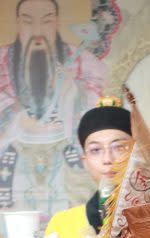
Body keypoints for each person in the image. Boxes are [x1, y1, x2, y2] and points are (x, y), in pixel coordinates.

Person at [0, 0, 103, 217]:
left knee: (74, 211)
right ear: (17, 23)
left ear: (56, 23)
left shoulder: (84, 61)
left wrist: (71, 90)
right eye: (28, 21)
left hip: (64, 152)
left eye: (46, 21)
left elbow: (97, 105)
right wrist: (17, 118)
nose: (37, 30)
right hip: (14, 155)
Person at [44, 97, 132, 238]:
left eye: (119, 147)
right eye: (96, 150)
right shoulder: (62, 224)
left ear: (140, 153)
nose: (107, 159)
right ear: (84, 160)